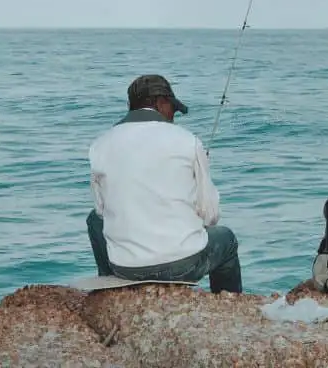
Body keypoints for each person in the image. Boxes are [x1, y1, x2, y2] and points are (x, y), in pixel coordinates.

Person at [85, 73, 243, 294]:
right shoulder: (188, 140)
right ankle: (228, 305)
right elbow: (211, 215)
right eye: (172, 109)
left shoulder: (100, 145)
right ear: (161, 102)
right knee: (227, 239)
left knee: (94, 219)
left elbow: (102, 212)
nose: (173, 117)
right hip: (182, 266)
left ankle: (111, 287)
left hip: (125, 269)